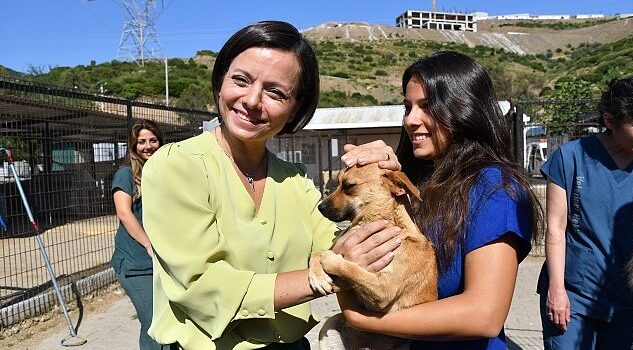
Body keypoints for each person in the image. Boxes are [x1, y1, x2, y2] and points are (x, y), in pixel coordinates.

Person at [141, 21, 401, 350]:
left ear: (295, 109)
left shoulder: (295, 180)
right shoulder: (176, 166)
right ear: (220, 81)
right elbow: (202, 287)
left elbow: (344, 245)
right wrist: (322, 275)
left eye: (276, 92)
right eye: (241, 80)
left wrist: (381, 182)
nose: (252, 100)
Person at [334, 51, 544, 350]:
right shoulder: (425, 180)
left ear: (464, 109)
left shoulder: (493, 188)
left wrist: (361, 320)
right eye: (408, 107)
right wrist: (382, 174)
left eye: (427, 106)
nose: (411, 119)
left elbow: (483, 315)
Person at [537, 76, 633, 349]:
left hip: (629, 302)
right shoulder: (570, 157)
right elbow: (556, 229)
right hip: (574, 296)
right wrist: (557, 290)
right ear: (609, 121)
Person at [111, 118, 164, 350]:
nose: (148, 146)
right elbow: (124, 213)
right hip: (135, 264)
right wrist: (149, 244)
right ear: (133, 145)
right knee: (154, 323)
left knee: (166, 322)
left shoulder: (160, 173)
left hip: (161, 263)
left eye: (153, 140)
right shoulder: (125, 174)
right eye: (141, 141)